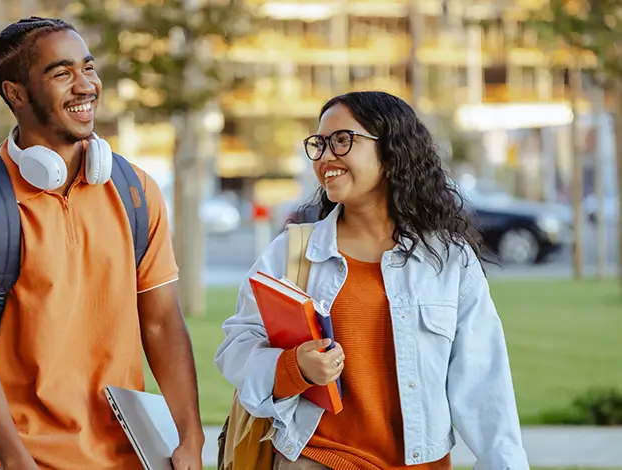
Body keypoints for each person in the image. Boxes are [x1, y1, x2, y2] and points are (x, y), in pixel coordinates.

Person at [0, 17, 204, 470]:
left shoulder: (136, 190)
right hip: (24, 458)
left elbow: (162, 325)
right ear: (16, 93)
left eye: (88, 68)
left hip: (132, 456)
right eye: (62, 73)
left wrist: (191, 437)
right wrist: (17, 462)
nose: (86, 86)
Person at [214, 91, 529, 470]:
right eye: (320, 144)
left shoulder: (449, 260)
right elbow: (236, 347)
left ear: (392, 152)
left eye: (343, 140)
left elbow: (484, 383)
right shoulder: (291, 252)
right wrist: (293, 366)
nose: (326, 157)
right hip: (315, 459)